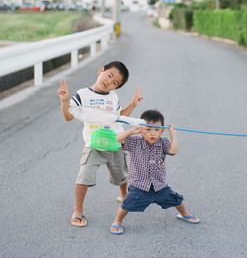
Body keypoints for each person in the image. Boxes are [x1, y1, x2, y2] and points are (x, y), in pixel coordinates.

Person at [57, 61, 143, 227]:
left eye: (114, 83)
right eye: (109, 75)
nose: (108, 82)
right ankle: (78, 210)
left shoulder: (113, 97)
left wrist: (133, 104)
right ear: (101, 70)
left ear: (116, 88)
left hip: (115, 142)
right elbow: (68, 117)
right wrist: (65, 100)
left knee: (121, 174)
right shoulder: (82, 95)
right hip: (94, 145)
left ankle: (124, 196)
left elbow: (119, 116)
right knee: (83, 176)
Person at [109, 109, 199, 235]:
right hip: (139, 186)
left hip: (159, 185)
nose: (153, 133)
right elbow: (118, 139)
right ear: (141, 129)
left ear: (162, 131)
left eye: (157, 130)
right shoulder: (135, 142)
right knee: (126, 205)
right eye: (148, 129)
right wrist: (131, 131)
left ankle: (184, 214)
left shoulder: (163, 143)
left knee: (176, 200)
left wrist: (173, 134)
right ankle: (117, 221)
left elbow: (173, 151)